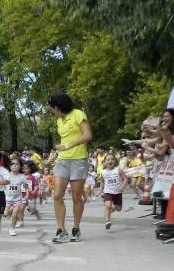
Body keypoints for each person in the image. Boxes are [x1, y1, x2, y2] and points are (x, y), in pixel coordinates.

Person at [48, 93, 93, 243]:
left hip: (78, 160)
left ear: (58, 106)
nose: (51, 111)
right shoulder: (59, 120)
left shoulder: (77, 114)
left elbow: (87, 135)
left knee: (76, 197)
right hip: (62, 160)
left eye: (52, 108)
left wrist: (67, 146)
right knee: (57, 195)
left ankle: (76, 228)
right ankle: (61, 230)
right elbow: (64, 139)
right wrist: (57, 152)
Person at [100, 153, 128, 230]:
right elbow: (102, 182)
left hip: (118, 192)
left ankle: (112, 208)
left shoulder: (118, 170)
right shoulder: (103, 172)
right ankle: (107, 221)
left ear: (115, 161)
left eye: (112, 159)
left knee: (119, 209)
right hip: (108, 192)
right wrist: (100, 191)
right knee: (108, 205)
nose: (110, 161)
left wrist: (122, 186)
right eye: (108, 159)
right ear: (105, 162)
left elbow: (125, 178)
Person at [4, 158, 27, 235]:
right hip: (7, 199)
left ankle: (12, 229)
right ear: (10, 166)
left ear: (20, 166)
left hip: (17, 199)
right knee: (5, 214)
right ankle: (9, 212)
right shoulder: (6, 175)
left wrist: (27, 195)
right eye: (12, 164)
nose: (14, 166)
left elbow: (26, 186)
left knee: (15, 214)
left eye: (17, 164)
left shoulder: (22, 176)